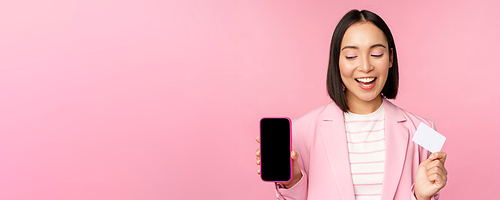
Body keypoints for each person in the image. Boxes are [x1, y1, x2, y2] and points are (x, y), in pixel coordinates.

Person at [255, 9, 447, 200]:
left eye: (377, 54)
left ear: (390, 58)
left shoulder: (424, 130)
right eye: (351, 56)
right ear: (336, 61)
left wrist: (422, 197)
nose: (365, 66)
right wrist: (292, 182)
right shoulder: (299, 131)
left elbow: (429, 190)